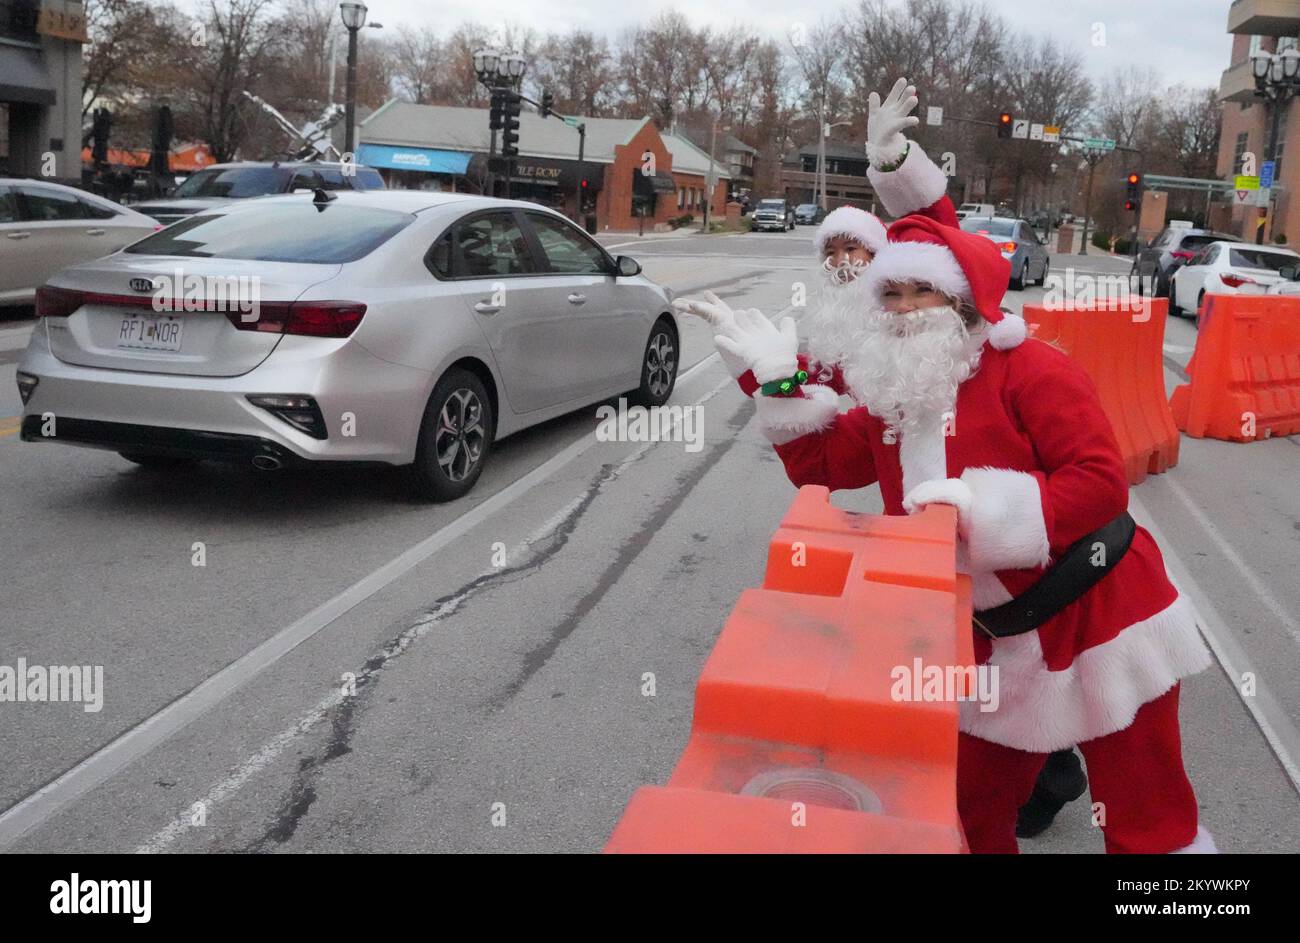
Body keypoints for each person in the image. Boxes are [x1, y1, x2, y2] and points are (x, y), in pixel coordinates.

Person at [675, 86, 1216, 856]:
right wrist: (773, 382)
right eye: (887, 292)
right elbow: (821, 465)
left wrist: (981, 508)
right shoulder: (896, 392)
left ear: (960, 300)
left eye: (916, 289)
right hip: (989, 645)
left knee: (1149, 823)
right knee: (959, 818)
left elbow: (1099, 483)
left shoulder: (1030, 369)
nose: (899, 306)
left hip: (1101, 617)